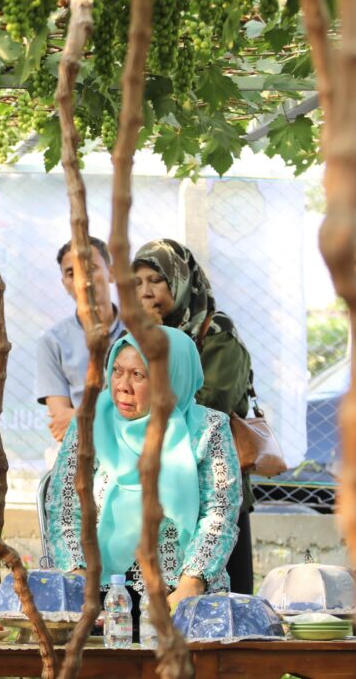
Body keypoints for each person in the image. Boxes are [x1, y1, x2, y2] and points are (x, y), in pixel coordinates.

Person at [45, 327, 241, 609]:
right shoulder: (89, 424)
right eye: (117, 370)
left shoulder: (209, 429)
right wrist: (78, 579)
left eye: (139, 375)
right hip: (99, 591)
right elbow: (65, 507)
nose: (122, 385)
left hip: (184, 593)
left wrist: (190, 586)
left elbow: (219, 514)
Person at [133, 238, 255, 594]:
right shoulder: (136, 338)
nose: (145, 291)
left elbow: (208, 402)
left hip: (212, 484)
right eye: (137, 282)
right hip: (156, 492)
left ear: (181, 280)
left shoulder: (217, 334)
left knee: (217, 598)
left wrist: (162, 342)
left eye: (155, 280)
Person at [36, 236, 126, 443]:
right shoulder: (52, 342)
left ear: (111, 273)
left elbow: (148, 412)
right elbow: (62, 426)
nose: (82, 280)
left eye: (91, 268)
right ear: (64, 283)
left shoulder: (140, 333)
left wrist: (79, 416)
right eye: (71, 273)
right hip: (80, 447)